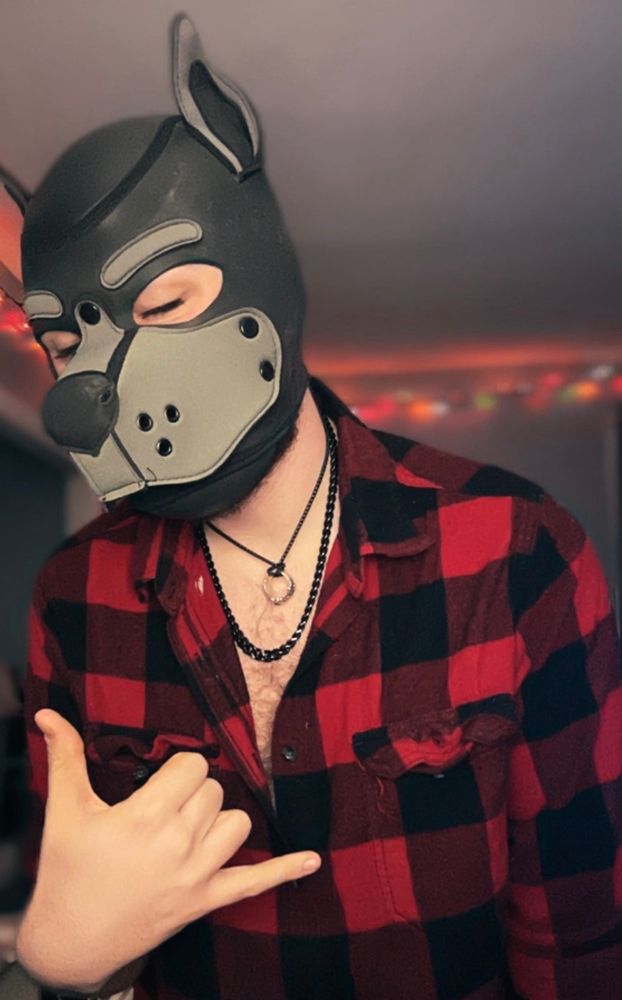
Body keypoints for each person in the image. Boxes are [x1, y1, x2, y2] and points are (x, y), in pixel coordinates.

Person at [13, 13, 622, 1000]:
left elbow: (580, 932)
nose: (94, 383)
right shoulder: (74, 595)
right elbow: (87, 903)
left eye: (163, 305)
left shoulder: (516, 548)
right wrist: (65, 967)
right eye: (63, 345)